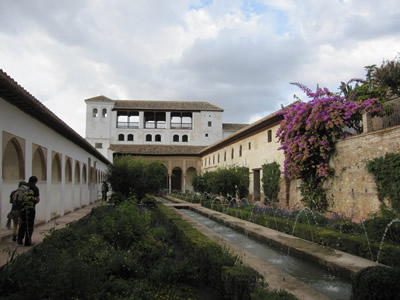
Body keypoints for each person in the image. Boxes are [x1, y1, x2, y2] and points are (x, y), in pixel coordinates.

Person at [17, 176, 40, 246]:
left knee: (23, 224)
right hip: (31, 209)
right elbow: (37, 199)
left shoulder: (22, 187)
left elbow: (18, 199)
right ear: (35, 182)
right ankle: (27, 241)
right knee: (30, 224)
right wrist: (33, 203)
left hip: (22, 209)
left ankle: (20, 239)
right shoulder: (35, 188)